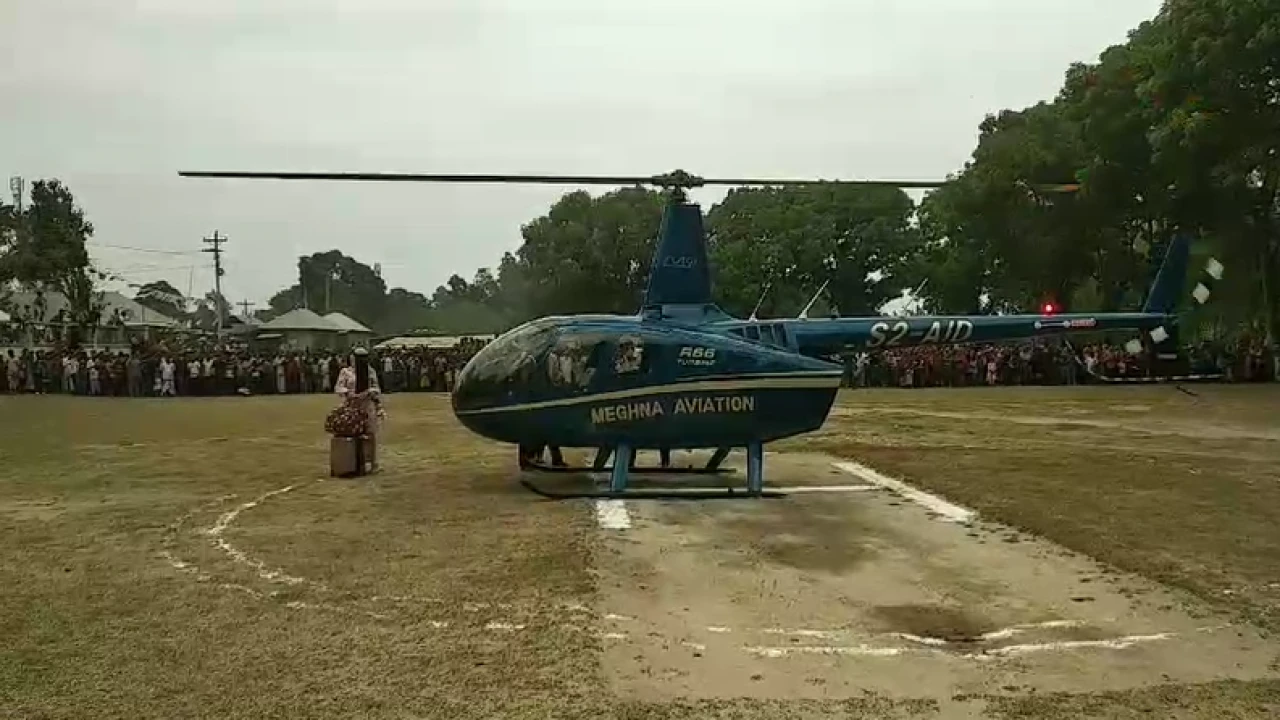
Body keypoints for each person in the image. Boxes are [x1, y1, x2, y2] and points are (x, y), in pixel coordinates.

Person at [334, 346, 384, 472]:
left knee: (370, 433)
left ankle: (372, 462)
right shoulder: (345, 372)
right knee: (353, 432)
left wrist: (368, 392)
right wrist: (348, 393)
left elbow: (376, 388)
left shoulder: (370, 371)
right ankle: (355, 463)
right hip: (351, 405)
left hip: (367, 405)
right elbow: (339, 387)